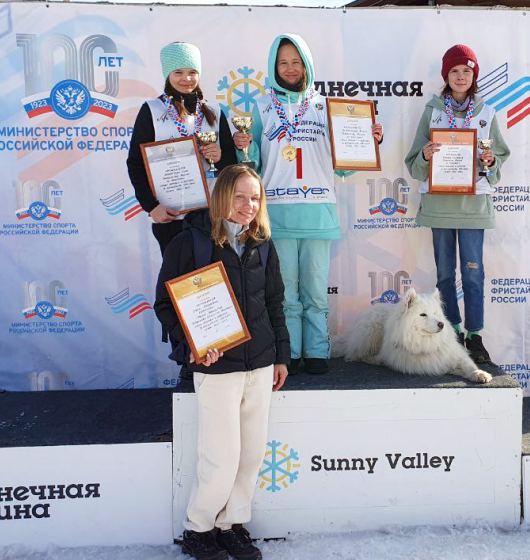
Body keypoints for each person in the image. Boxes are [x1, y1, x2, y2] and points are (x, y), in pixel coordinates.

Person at [155, 164, 289, 560]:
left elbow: (275, 302)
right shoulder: (191, 242)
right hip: (217, 367)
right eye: (241, 196)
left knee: (250, 455)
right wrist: (193, 346)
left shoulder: (261, 242)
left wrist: (281, 355)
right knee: (221, 456)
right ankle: (199, 529)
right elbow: (166, 305)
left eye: (255, 197)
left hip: (261, 363)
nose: (249, 205)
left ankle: (232, 525)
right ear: (222, 197)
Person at [233, 34, 383, 375]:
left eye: (296, 62)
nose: (290, 68)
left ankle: (316, 351)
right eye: (283, 62)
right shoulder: (261, 106)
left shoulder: (325, 105)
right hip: (276, 214)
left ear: (307, 66)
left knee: (316, 289)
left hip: (318, 212)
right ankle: (288, 353)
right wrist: (244, 146)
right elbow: (251, 163)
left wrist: (368, 141)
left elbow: (343, 165)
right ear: (274, 66)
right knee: (284, 293)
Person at [404, 44, 510, 365]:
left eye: (466, 71)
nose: (461, 77)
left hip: (473, 204)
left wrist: (490, 161)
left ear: (474, 74)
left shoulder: (486, 112)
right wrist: (425, 155)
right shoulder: (433, 111)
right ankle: (453, 332)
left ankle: (475, 336)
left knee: (473, 274)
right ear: (446, 76)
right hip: (440, 204)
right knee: (446, 275)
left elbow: (500, 157)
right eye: (454, 71)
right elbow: (413, 160)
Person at [128, 42, 237, 255]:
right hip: (171, 215)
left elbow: (232, 166)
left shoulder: (214, 111)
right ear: (167, 74)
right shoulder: (151, 110)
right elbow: (135, 163)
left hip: (211, 215)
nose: (186, 79)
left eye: (192, 72)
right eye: (178, 72)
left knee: (212, 282)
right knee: (178, 280)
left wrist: (221, 156)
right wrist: (151, 206)